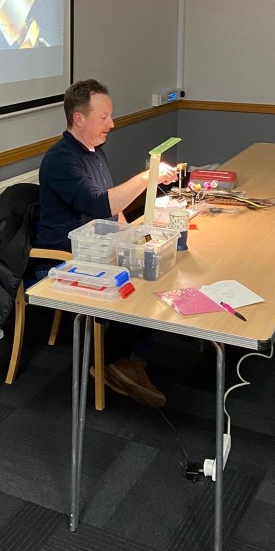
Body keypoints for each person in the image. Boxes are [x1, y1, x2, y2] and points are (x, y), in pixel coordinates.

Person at [37, 79, 177, 407]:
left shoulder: (94, 152)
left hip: (99, 245)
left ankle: (130, 359)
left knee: (157, 265)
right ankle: (109, 361)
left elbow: (113, 213)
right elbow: (100, 205)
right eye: (104, 117)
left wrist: (135, 236)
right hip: (68, 253)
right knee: (143, 281)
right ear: (79, 119)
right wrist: (147, 177)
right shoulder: (61, 159)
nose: (111, 124)